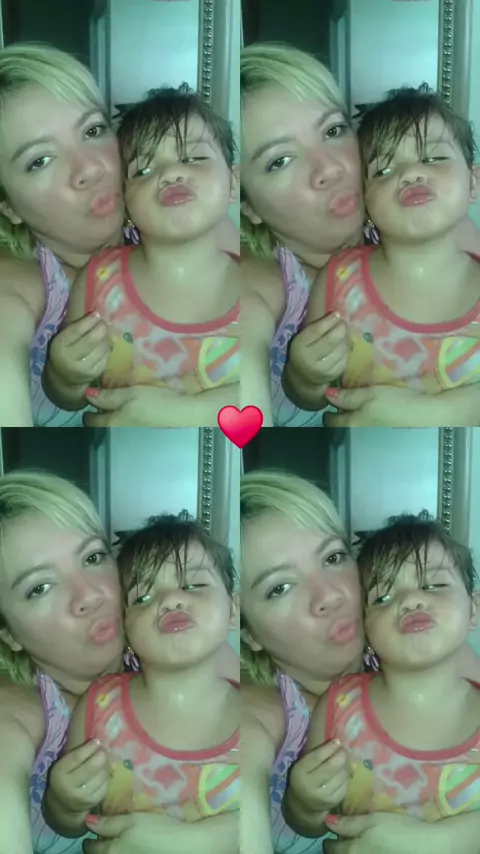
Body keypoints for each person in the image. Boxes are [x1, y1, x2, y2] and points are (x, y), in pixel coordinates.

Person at [240, 469, 480, 854]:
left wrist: (450, 839)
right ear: (247, 631)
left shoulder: (432, 653)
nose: (330, 596)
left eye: (333, 557)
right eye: (279, 587)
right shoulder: (259, 710)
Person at [240, 43, 480, 427]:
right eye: (279, 160)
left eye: (333, 130)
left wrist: (444, 412)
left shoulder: (441, 230)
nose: (330, 169)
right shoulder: (257, 283)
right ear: (247, 205)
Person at [0, 469, 237, 854]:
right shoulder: (19, 711)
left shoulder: (184, 652)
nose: (89, 595)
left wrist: (207, 839)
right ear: (7, 633)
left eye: (93, 557)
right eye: (39, 587)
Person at [0, 44, 238, 427]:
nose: (89, 169)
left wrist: (191, 412)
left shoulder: (189, 226)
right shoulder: (18, 284)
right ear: (7, 206)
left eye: (93, 130)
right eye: (39, 160)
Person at [43, 511, 239, 836]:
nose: (171, 600)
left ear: (233, 610)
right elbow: (69, 826)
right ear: (126, 630)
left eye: (193, 585)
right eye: (142, 597)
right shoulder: (98, 707)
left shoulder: (253, 718)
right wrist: (64, 803)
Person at [284, 512, 480, 837]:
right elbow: (310, 826)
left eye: (434, 585)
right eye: (383, 597)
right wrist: (304, 804)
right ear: (365, 629)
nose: (411, 600)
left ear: (474, 609)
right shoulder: (338, 707)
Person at [301, 86, 480, 426]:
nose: (410, 174)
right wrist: (304, 377)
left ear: (473, 182)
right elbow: (311, 397)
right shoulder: (339, 280)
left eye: (433, 158)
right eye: (383, 171)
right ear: (366, 204)